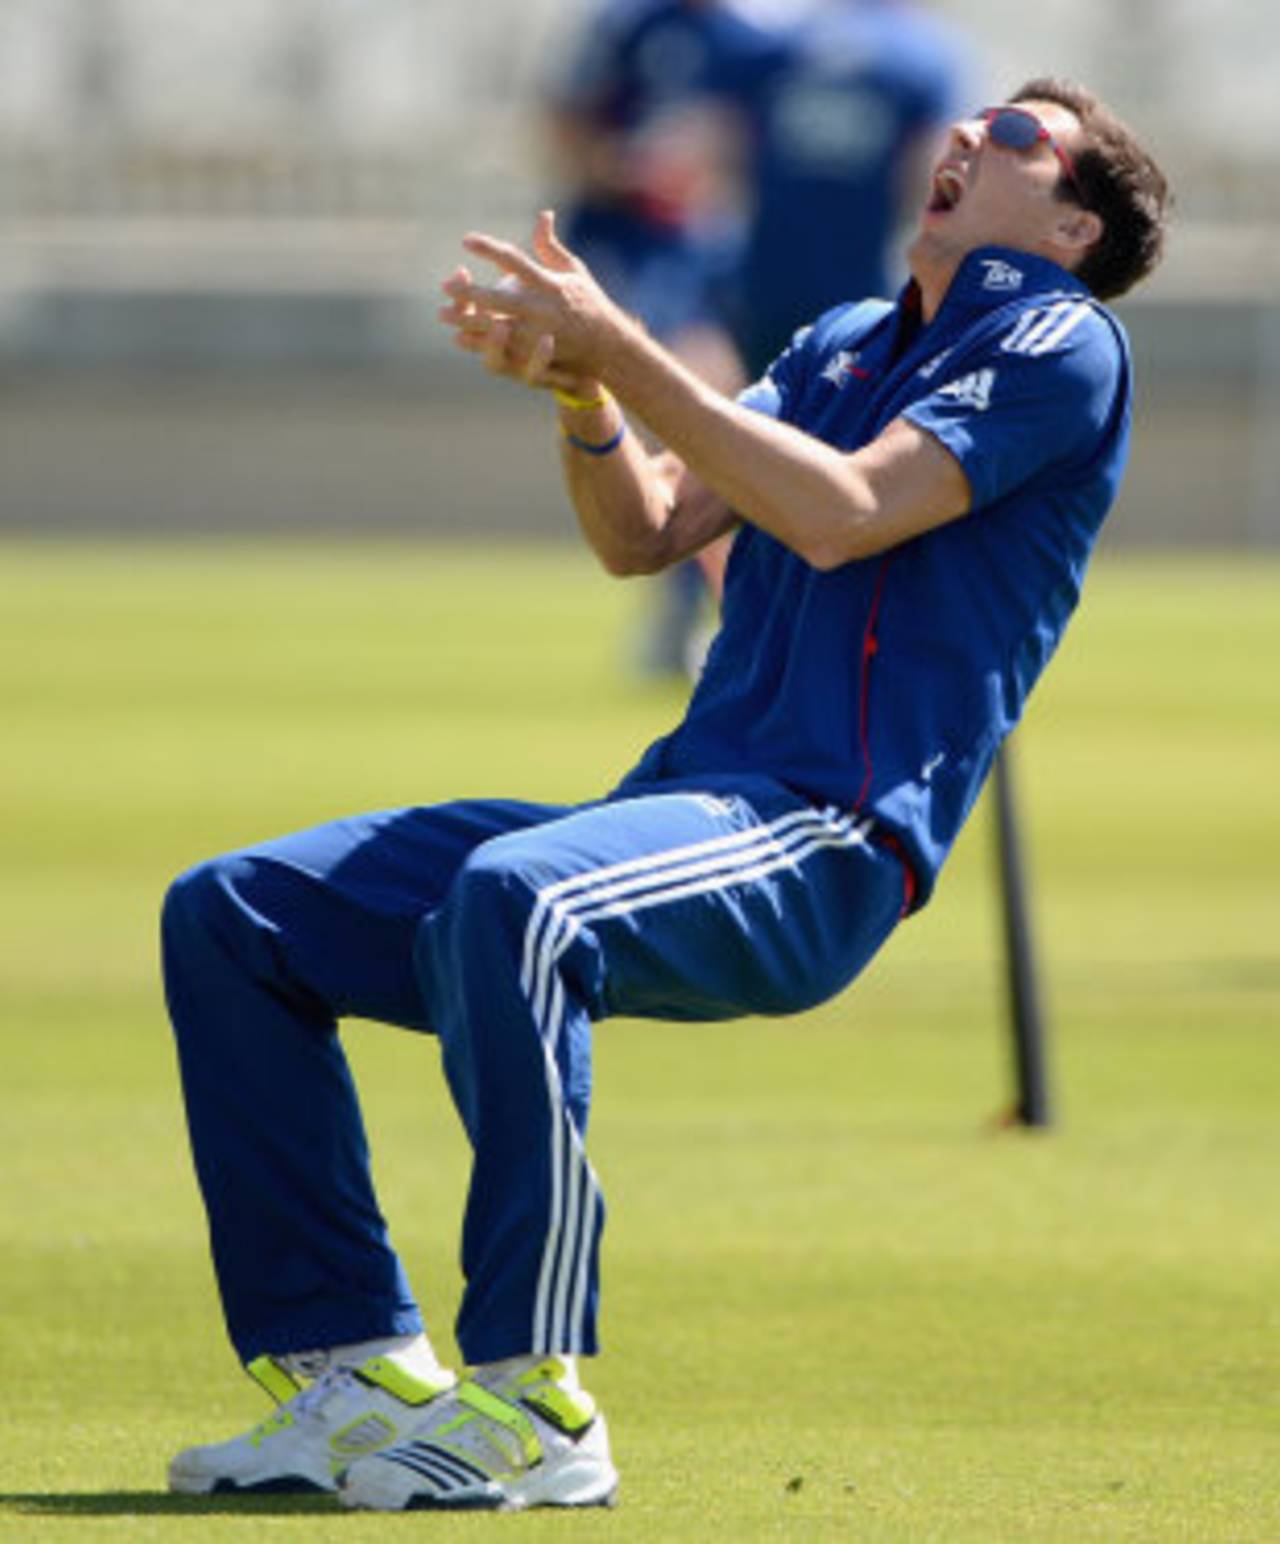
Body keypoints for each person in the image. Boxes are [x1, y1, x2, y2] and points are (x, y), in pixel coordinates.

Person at [162, 78, 1169, 1512]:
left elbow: (841, 514)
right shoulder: (834, 343)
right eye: (971, 122)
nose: (963, 137)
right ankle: (353, 1373)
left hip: (825, 836)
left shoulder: (1063, 335)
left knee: (518, 898)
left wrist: (619, 345)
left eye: (1015, 138)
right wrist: (583, 396)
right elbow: (640, 536)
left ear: (1074, 222)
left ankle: (539, 1399)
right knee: (233, 916)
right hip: (691, 808)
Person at [543, 0, 768, 672]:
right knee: (703, 395)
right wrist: (629, 171)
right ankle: (702, 619)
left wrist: (716, 180)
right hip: (632, 246)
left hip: (713, 247)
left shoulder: (753, 37)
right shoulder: (632, 26)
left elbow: (758, 146)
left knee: (738, 411)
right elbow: (563, 127)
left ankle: (704, 618)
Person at [730, 0, 976, 375]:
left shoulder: (786, 39)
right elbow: (927, 175)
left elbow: (730, 142)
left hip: (764, 271)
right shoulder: (925, 55)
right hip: (858, 277)